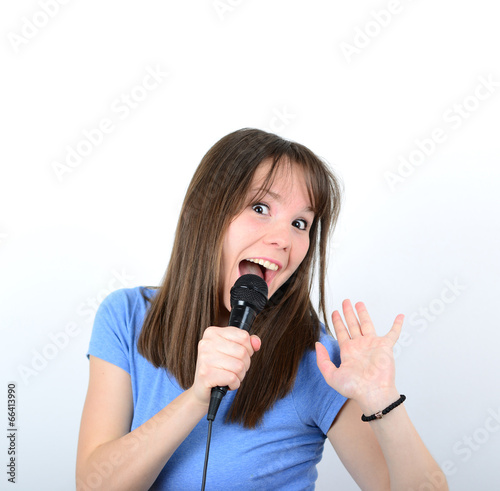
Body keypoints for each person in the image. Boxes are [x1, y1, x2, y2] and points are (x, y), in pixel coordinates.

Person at [76, 128, 448, 490]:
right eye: (260, 207)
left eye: (300, 223)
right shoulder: (126, 316)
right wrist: (196, 397)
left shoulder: (319, 359)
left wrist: (384, 401)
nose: (284, 240)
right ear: (204, 211)